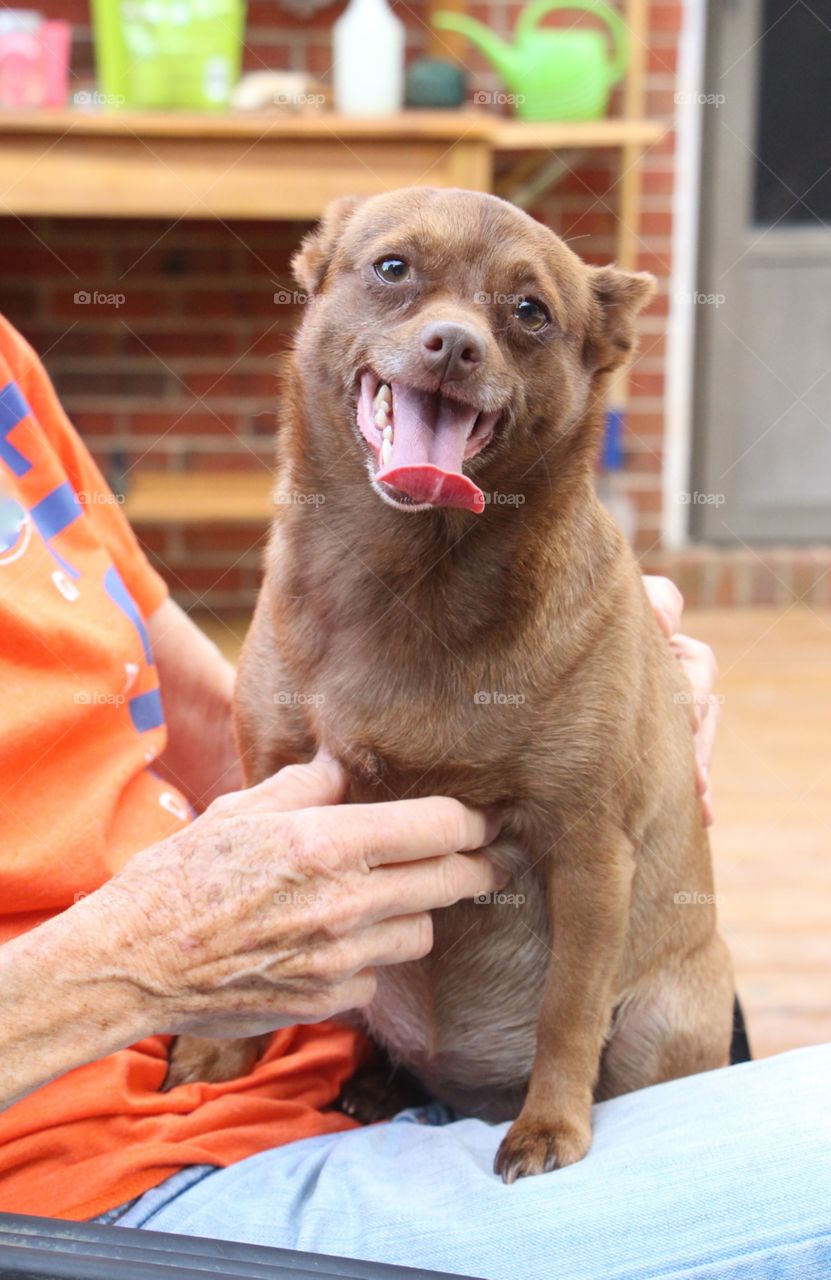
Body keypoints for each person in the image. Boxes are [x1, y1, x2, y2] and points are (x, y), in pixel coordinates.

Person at [0, 314, 827, 1278]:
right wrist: (140, 965)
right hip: (114, 1187)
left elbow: (228, 735)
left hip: (354, 1063)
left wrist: (584, 717)